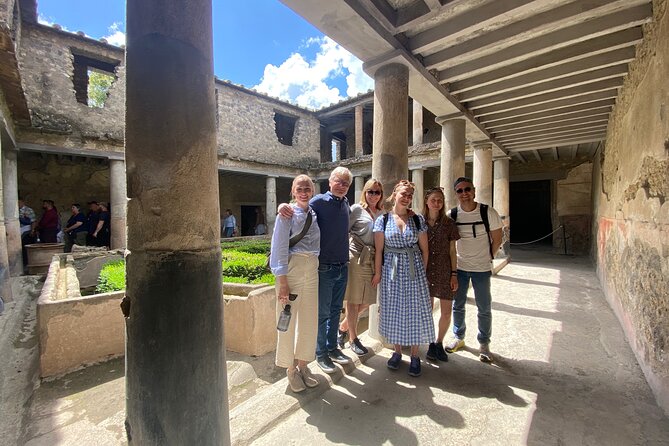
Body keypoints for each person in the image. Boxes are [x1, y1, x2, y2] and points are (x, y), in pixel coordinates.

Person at [278, 166, 353, 374]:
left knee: (336, 309)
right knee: (322, 313)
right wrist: (283, 205)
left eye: (346, 183)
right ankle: (321, 353)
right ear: (330, 181)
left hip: (342, 265)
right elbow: (297, 207)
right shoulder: (318, 201)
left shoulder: (346, 203)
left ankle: (332, 348)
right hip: (324, 267)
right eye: (339, 181)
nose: (342, 186)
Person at [372, 180, 434, 377]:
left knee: (415, 311)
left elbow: (425, 250)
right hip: (392, 271)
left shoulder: (417, 220)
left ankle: (415, 356)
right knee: (394, 311)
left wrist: (421, 273)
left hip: (414, 269)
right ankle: (397, 352)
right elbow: (379, 251)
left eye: (409, 195)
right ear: (394, 194)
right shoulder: (382, 220)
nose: (406, 198)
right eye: (403, 194)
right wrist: (378, 273)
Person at [269, 174, 321, 393]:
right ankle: (290, 369)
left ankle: (303, 365)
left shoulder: (313, 213)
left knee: (309, 321)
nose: (303, 191)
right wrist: (282, 282)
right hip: (292, 270)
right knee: (287, 321)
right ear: (292, 191)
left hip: (312, 269)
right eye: (299, 188)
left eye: (307, 188)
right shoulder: (286, 214)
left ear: (313, 191)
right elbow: (279, 248)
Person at [445, 177, 503, 363]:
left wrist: (488, 257)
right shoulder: (452, 214)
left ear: (474, 191)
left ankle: (484, 343)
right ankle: (458, 337)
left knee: (484, 307)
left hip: (481, 268)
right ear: (456, 194)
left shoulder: (487, 212)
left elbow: (497, 238)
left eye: (467, 189)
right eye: (460, 191)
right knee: (458, 304)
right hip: (460, 268)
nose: (464, 193)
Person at [337, 178, 384, 356]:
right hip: (356, 255)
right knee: (354, 299)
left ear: (381, 195)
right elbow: (344, 230)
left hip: (372, 258)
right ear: (365, 192)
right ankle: (353, 338)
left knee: (368, 300)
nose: (373, 195)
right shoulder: (357, 209)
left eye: (377, 192)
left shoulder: (382, 212)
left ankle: (342, 328)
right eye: (370, 191)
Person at [423, 187, 460, 362]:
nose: (437, 203)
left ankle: (439, 342)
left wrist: (454, 273)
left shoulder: (449, 223)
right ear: (426, 201)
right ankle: (430, 342)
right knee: (427, 310)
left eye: (440, 200)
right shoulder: (419, 222)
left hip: (445, 270)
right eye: (434, 200)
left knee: (446, 312)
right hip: (426, 271)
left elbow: (453, 251)